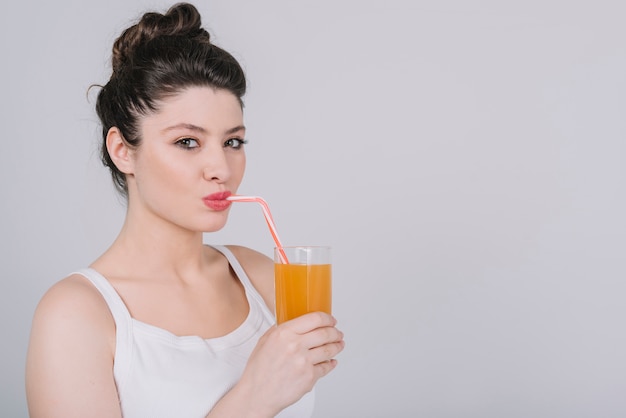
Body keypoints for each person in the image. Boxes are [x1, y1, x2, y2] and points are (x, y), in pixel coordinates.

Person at [25, 3, 345, 417]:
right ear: (122, 150)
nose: (221, 169)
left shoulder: (262, 277)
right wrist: (255, 396)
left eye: (232, 142)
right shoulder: (74, 317)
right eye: (187, 142)